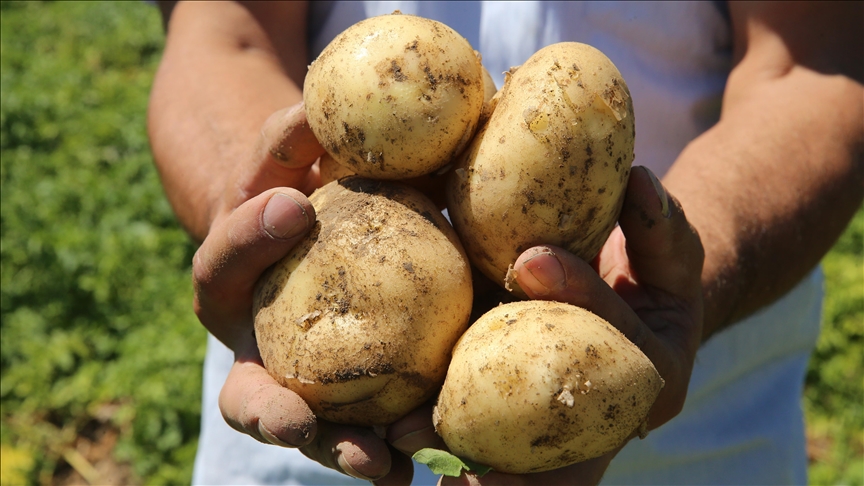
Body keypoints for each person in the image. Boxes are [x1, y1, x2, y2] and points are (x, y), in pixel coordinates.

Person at [147, 1, 863, 484]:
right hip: (305, 389)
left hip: (671, 386)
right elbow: (224, 28)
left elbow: (811, 65)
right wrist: (247, 216)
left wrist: (684, 275)